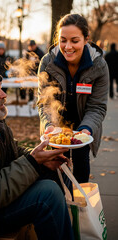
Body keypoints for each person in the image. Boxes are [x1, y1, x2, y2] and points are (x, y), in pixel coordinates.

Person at [0, 67, 74, 240]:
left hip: (5, 200)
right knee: (48, 193)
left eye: (1, 88)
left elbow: (15, 151)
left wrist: (44, 160)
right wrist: (33, 162)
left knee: (58, 172)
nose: (4, 95)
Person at [38, 14, 109, 184]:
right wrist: (49, 126)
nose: (68, 47)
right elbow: (45, 103)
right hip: (55, 129)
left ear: (86, 39)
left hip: (83, 128)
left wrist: (85, 130)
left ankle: (81, 209)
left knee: (81, 173)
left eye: (74, 40)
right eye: (63, 40)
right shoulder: (48, 62)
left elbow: (97, 107)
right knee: (56, 177)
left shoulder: (99, 66)